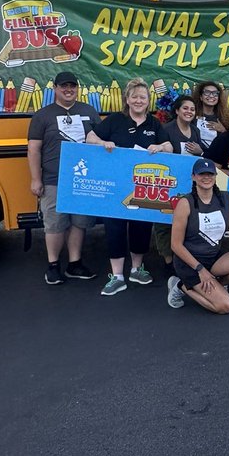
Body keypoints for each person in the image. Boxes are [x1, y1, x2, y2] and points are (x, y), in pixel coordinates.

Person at [86, 77, 172, 295]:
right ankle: (116, 276)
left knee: (141, 226)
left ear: (148, 100)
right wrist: (102, 143)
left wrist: (160, 147)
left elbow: (171, 147)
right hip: (115, 185)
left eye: (142, 97)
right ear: (127, 99)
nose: (138, 100)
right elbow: (89, 137)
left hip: (143, 186)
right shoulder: (115, 120)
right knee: (114, 227)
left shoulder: (154, 123)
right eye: (134, 96)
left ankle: (136, 269)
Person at [26, 70, 101, 285]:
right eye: (63, 86)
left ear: (78, 89)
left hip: (82, 180)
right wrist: (36, 179)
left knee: (79, 223)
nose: (68, 90)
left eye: (72, 86)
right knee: (55, 224)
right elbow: (33, 149)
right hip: (53, 179)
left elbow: (98, 139)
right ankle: (53, 265)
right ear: (55, 89)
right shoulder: (42, 115)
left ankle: (74, 264)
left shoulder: (89, 111)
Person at [167, 158, 229, 314]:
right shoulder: (185, 203)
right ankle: (182, 286)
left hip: (214, 257)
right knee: (226, 305)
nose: (206, 177)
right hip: (191, 264)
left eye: (210, 173)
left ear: (216, 176)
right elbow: (175, 245)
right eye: (202, 174)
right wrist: (200, 270)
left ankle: (215, 285)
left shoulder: (225, 198)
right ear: (194, 177)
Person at [153, 94, 203, 274]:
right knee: (165, 221)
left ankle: (185, 257)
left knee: (187, 221)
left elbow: (200, 155)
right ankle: (168, 261)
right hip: (169, 183)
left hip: (190, 184)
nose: (189, 112)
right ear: (176, 111)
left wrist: (200, 150)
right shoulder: (166, 129)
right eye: (185, 108)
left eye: (192, 109)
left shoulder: (195, 131)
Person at [191, 80, 229, 150]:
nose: (211, 96)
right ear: (201, 97)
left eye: (215, 93)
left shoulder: (225, 118)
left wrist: (223, 131)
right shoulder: (192, 115)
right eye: (207, 92)